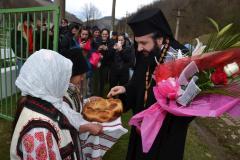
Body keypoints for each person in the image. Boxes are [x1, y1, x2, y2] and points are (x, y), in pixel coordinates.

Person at [107, 8, 193, 160]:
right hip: (140, 131)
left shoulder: (181, 57)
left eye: (143, 43)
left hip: (165, 137)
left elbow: (191, 103)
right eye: (137, 43)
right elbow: (139, 83)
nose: (139, 48)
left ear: (159, 38)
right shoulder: (146, 52)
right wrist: (125, 89)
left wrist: (159, 119)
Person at [10, 49, 102, 160]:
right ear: (50, 79)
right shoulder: (39, 131)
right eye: (63, 77)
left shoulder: (48, 103)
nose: (65, 82)